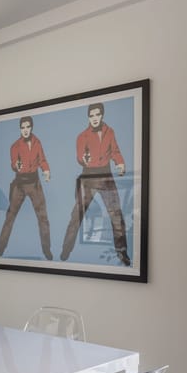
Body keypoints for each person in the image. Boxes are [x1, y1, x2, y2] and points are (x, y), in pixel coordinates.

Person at [60, 102, 131, 266]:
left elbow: (115, 151)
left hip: (106, 176)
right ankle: (66, 250)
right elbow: (80, 154)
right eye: (91, 115)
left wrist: (120, 163)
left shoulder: (109, 131)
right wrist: (83, 159)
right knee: (76, 215)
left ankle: (122, 253)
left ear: (102, 115)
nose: (94, 118)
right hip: (88, 177)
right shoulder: (82, 136)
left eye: (97, 115)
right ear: (88, 117)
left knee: (116, 216)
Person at [0, 115, 52, 259]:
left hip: (35, 183)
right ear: (20, 129)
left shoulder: (37, 142)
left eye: (28, 127)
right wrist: (17, 166)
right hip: (20, 183)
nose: (25, 130)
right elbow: (14, 163)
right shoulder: (15, 146)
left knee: (43, 218)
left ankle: (47, 250)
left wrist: (46, 170)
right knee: (10, 217)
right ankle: (0, 249)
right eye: (23, 128)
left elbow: (42, 159)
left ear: (31, 127)